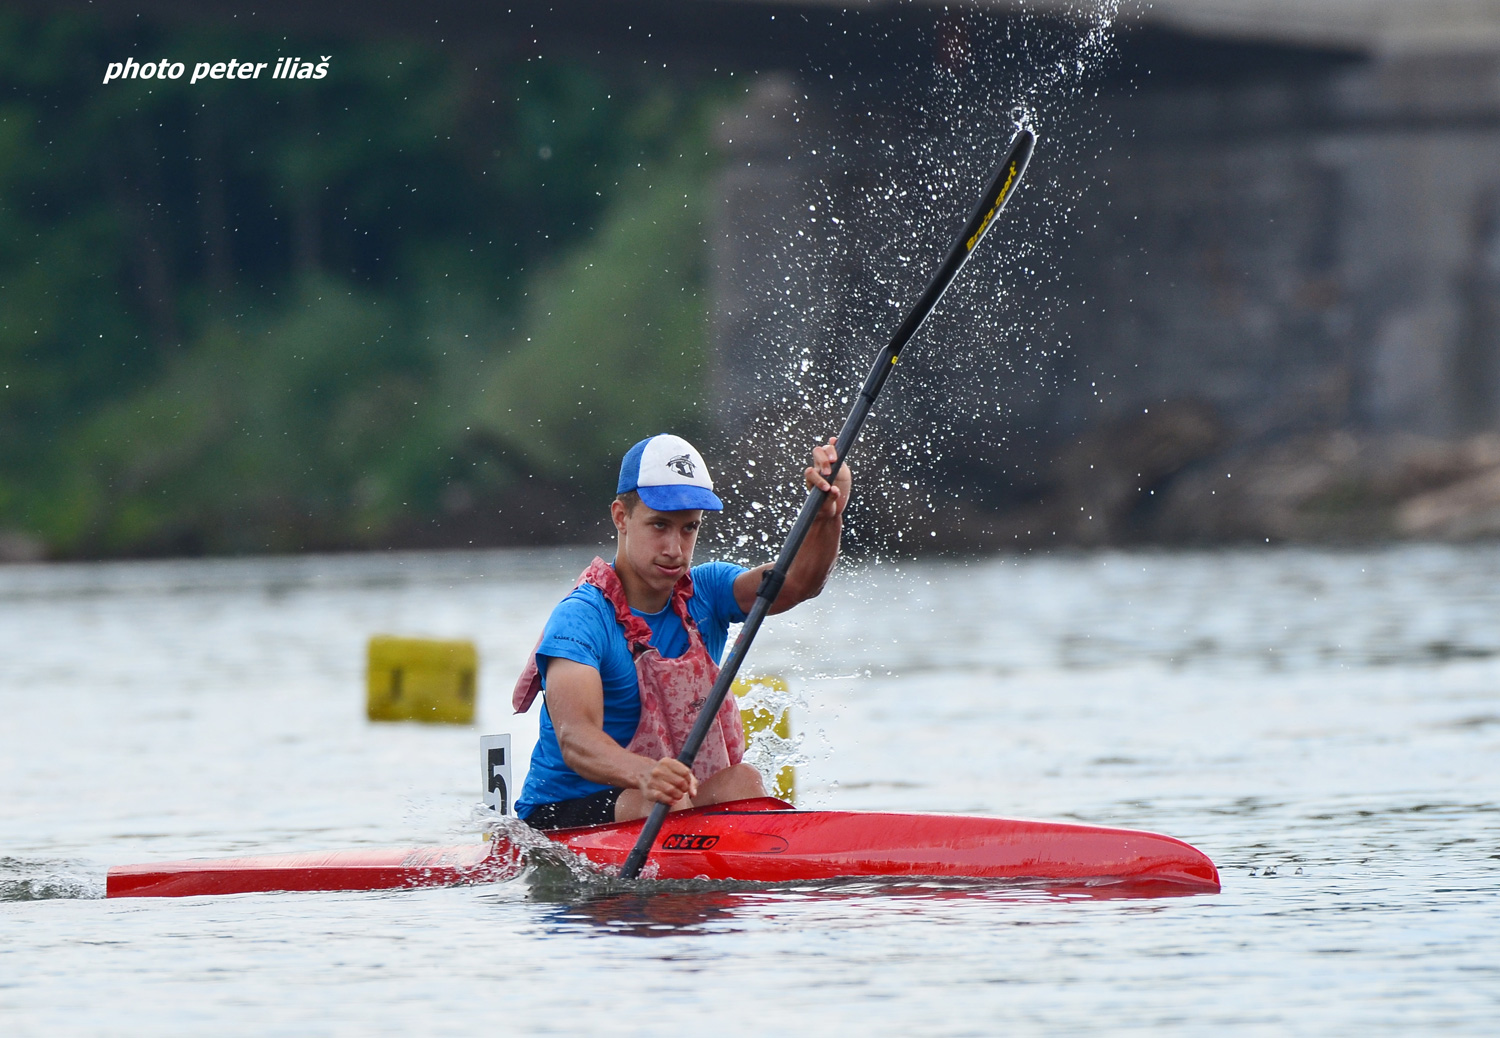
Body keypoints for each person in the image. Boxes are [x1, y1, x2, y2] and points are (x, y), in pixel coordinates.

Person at [512, 432, 851, 829]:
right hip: (561, 815)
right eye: (659, 525)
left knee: (744, 781)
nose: (675, 548)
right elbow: (577, 739)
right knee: (658, 803)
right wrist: (643, 772)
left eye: (689, 528)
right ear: (621, 517)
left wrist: (827, 518)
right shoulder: (582, 618)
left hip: (662, 800)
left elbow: (796, 585)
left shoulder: (707, 592)